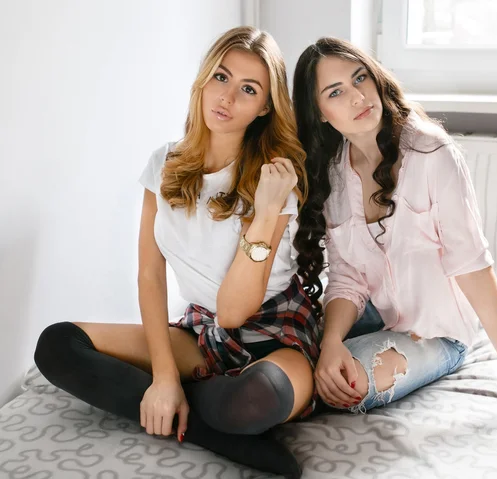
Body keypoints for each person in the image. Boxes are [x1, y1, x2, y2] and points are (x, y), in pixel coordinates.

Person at [34, 26, 320, 479]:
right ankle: (206, 427)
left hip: (274, 332)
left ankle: (213, 409)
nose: (226, 97)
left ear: (265, 107)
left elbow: (234, 311)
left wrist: (265, 212)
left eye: (248, 89)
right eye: (221, 77)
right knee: (57, 344)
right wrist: (165, 377)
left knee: (253, 400)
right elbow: (150, 274)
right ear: (204, 78)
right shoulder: (164, 164)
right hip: (201, 332)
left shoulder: (274, 179)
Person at [292, 37, 497, 431]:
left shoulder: (432, 154)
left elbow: (473, 266)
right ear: (320, 113)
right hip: (374, 313)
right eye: (336, 91)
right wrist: (330, 342)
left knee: (346, 383)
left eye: (360, 78)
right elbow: (347, 279)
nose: (357, 96)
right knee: (291, 351)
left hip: (439, 334)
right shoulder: (334, 174)